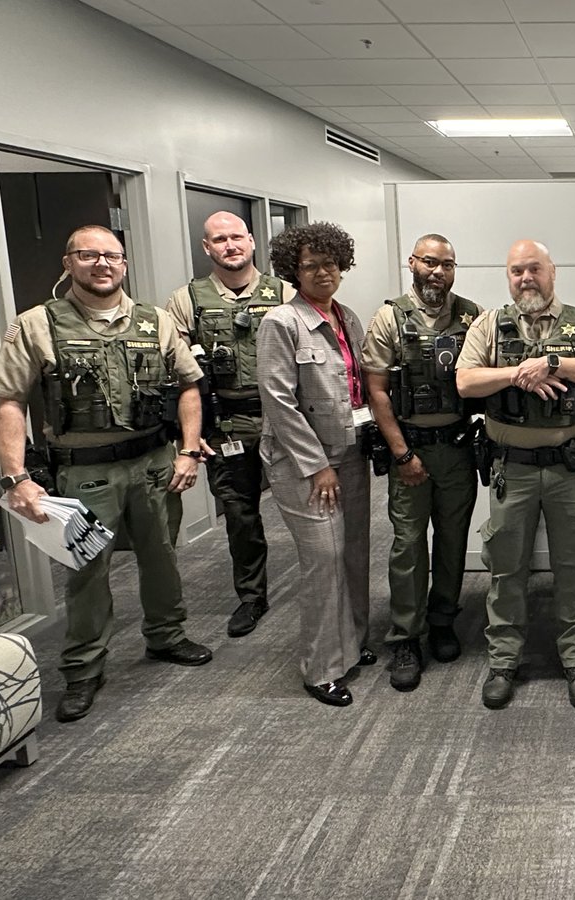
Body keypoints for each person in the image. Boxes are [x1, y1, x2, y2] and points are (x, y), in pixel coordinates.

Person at [0, 225, 212, 723]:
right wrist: (16, 477)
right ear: (69, 263)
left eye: (112, 256)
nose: (102, 264)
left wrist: (189, 451)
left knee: (162, 554)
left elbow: (190, 385)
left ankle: (166, 636)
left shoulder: (156, 321)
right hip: (83, 474)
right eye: (88, 255)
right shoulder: (37, 324)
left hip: (152, 463)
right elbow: (9, 401)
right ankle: (84, 668)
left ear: (124, 264)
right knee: (87, 570)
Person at [456, 239, 575, 711]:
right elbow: (465, 381)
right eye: (517, 271)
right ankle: (504, 661)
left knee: (574, 569)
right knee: (506, 570)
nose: (526, 278)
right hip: (512, 470)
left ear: (553, 272)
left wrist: (550, 362)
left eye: (535, 270)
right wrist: (513, 374)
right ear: (509, 276)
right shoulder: (489, 323)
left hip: (569, 469)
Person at [256, 222, 373, 707]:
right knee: (323, 561)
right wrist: (316, 465)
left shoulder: (347, 317)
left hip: (352, 453)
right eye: (310, 266)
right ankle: (322, 668)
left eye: (330, 263)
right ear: (293, 271)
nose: (323, 273)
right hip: (306, 467)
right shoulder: (281, 322)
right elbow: (278, 401)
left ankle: (354, 643)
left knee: (354, 553)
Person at [165, 211, 296, 639]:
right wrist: (191, 434)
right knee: (241, 516)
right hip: (227, 423)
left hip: (284, 420)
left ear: (253, 241)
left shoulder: (287, 293)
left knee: (309, 509)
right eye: (219, 239)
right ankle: (251, 596)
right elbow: (180, 376)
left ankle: (319, 588)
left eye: (236, 237)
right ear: (207, 248)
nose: (230, 245)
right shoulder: (187, 300)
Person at [361, 233, 481, 692]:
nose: (438, 272)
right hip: (409, 447)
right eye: (430, 262)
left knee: (452, 540)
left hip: (457, 448)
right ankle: (406, 636)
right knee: (409, 545)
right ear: (412, 262)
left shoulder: (471, 314)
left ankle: (444, 618)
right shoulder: (390, 317)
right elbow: (376, 391)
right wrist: (401, 453)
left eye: (447, 265)